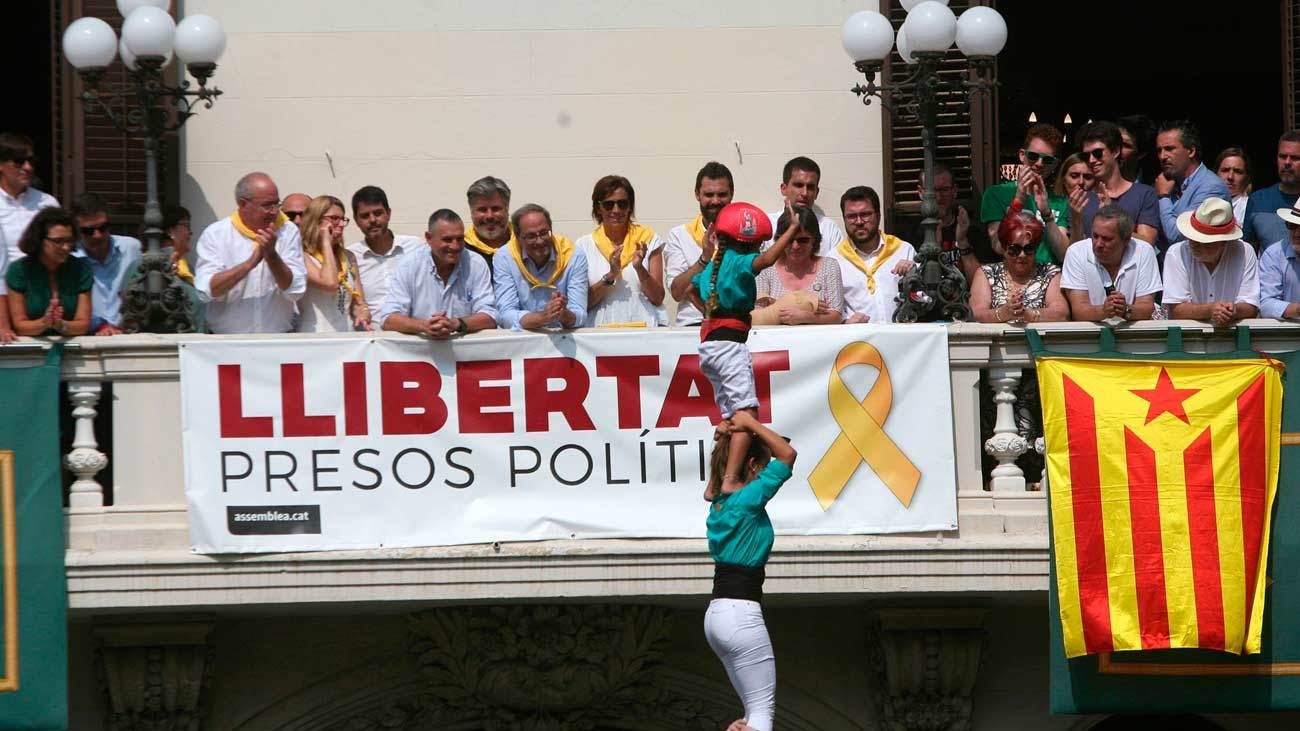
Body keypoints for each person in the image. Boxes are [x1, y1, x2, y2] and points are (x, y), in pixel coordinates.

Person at [691, 202, 796, 497]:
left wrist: (712, 311)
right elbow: (765, 262)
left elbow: (689, 287)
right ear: (745, 242)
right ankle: (730, 479)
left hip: (710, 346)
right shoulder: (737, 260)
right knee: (746, 414)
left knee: (730, 420)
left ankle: (713, 484)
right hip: (729, 345)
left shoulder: (713, 264)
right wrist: (790, 231)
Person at [703, 409, 797, 731]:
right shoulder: (747, 499)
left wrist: (729, 438)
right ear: (754, 466)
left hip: (717, 617)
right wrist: (748, 424)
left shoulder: (719, 503)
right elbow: (788, 456)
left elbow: (711, 487)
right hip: (741, 614)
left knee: (751, 716)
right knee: (761, 716)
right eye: (762, 465)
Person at [193, 172, 307, 334]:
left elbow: (296, 290)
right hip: (225, 344)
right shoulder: (216, 234)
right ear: (243, 204)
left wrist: (272, 256)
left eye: (277, 204)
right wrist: (249, 264)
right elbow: (207, 291)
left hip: (278, 341)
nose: (275, 211)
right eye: (267, 205)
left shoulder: (288, 231)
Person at [377, 209, 498, 337]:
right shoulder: (409, 265)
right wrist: (424, 326)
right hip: (421, 353)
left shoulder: (476, 264)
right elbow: (388, 319)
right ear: (429, 238)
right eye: (447, 240)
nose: (455, 246)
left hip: (464, 355)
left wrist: (456, 324)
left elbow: (491, 316)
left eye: (459, 239)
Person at [576, 175, 666, 327]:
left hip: (644, 331)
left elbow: (658, 298)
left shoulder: (649, 239)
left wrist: (639, 268)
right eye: (608, 205)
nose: (616, 210)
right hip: (600, 334)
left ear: (630, 206)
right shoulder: (584, 246)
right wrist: (610, 276)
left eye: (622, 204)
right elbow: (582, 304)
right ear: (598, 208)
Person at [979, 123, 1070, 263]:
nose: (1039, 163)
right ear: (1022, 155)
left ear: (1055, 165)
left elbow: (1064, 255)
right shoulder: (995, 194)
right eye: (1033, 156)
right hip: (1013, 278)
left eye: (1047, 160)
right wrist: (1018, 200)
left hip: (1050, 278)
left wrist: (1047, 214)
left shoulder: (1060, 202)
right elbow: (998, 246)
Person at [969, 199, 1068, 325]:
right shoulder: (986, 273)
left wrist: (1029, 314)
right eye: (1014, 249)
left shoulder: (1050, 273)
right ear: (1004, 248)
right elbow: (975, 313)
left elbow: (1062, 313)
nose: (1022, 255)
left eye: (1028, 248)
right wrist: (1002, 313)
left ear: (1036, 248)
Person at [1163, 197, 1260, 326]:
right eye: (1192, 238)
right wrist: (1210, 310)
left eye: (1204, 242)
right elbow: (1176, 310)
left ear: (1224, 242)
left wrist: (1232, 310)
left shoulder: (1245, 251)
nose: (1195, 244)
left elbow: (1251, 306)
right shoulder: (1176, 253)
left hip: (1232, 336)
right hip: (1187, 337)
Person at [492, 203, 587, 331]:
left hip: (563, 340)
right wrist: (543, 317)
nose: (540, 241)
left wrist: (564, 314)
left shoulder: (574, 255)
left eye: (544, 233)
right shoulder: (504, 257)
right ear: (518, 237)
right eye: (531, 236)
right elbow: (506, 315)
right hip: (522, 341)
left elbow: (580, 313)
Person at [1059, 205, 1162, 322]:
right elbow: (1079, 311)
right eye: (1095, 236)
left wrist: (1126, 310)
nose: (1098, 244)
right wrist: (1104, 312)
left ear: (1126, 239)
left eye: (1106, 239)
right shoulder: (1076, 252)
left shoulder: (1144, 251)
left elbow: (1146, 307)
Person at [830, 186, 915, 324]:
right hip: (860, 341)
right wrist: (845, 323)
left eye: (865, 214)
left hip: (902, 339)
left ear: (878, 215)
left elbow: (924, 298)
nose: (859, 222)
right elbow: (829, 309)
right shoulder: (834, 260)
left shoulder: (903, 251)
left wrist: (914, 273)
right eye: (851, 216)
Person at [4, 207, 92, 336]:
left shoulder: (81, 270)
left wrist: (60, 325)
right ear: (40, 239)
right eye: (58, 241)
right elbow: (20, 325)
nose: (66, 247)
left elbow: (83, 325)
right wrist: (44, 323)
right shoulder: (19, 270)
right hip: (31, 351)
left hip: (72, 350)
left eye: (69, 240)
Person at [666, 162, 734, 326]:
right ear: (697, 194)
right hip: (693, 326)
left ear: (732, 194)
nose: (715, 201)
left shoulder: (744, 234)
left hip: (736, 324)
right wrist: (704, 259)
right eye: (709, 195)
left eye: (722, 194)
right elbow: (677, 293)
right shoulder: (679, 235)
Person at [1070, 121, 1159, 246]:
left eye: (1097, 153)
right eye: (1086, 155)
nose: (1091, 160)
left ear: (1116, 151)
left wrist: (1113, 218)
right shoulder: (1082, 199)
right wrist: (1076, 220)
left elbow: (1147, 243)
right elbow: (1075, 251)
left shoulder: (1144, 194)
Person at [753, 205, 843, 325]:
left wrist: (806, 317)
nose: (795, 246)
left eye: (803, 240)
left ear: (814, 240)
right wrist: (799, 304)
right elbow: (757, 316)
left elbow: (836, 316)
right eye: (789, 240)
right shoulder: (766, 268)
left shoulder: (829, 266)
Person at [900, 162, 988, 281]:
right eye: (931, 191)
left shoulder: (971, 230)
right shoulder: (909, 235)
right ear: (920, 192)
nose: (938, 197)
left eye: (944, 190)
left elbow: (980, 283)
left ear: (955, 190)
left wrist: (962, 242)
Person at [70, 193, 142, 335]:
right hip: (90, 338)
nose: (97, 235)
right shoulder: (70, 258)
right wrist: (99, 326)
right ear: (77, 231)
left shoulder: (131, 248)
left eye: (102, 227)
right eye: (88, 231)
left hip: (131, 333)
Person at [1153, 120, 1230, 252]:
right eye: (1159, 150)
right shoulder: (1162, 184)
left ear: (1191, 151)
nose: (1162, 156)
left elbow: (1178, 237)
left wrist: (1163, 197)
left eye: (1169, 149)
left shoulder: (1212, 187)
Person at [346, 185, 424, 315]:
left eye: (378, 213)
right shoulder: (350, 257)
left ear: (388, 213)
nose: (372, 220)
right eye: (365, 216)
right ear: (356, 220)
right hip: (370, 333)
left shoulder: (416, 247)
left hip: (414, 332)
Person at [297, 195, 370, 332]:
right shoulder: (301, 256)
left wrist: (362, 312)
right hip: (314, 338)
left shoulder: (349, 257)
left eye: (343, 219)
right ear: (316, 220)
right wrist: (325, 241)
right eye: (335, 219)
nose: (341, 224)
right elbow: (330, 283)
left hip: (346, 338)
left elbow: (358, 301)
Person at [0, 133, 59, 265]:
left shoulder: (47, 203)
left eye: (31, 161)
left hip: (39, 281)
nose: (28, 167)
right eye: (19, 161)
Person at [765, 157, 844, 249]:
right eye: (798, 185)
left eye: (810, 187)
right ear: (784, 189)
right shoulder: (767, 225)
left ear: (816, 192)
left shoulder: (829, 228)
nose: (805, 193)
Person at [1242, 131, 1300, 251]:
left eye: (1295, 158)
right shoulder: (1258, 200)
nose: (1287, 162)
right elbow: (1247, 251)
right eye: (1282, 156)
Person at [1259, 201, 1300, 319]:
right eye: (1292, 225)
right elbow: (1266, 305)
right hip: (1286, 335)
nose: (1297, 233)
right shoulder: (1274, 254)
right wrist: (1297, 310)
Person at [463, 176, 515, 263]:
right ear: (472, 212)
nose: (489, 216)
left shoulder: (525, 245)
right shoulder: (460, 252)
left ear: (507, 209)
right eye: (482, 210)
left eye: (496, 209)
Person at [1216, 147, 1252, 227]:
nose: (1230, 177)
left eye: (1237, 171)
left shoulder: (1249, 208)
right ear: (1216, 174)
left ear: (1246, 177)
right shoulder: (1203, 201)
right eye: (1225, 170)